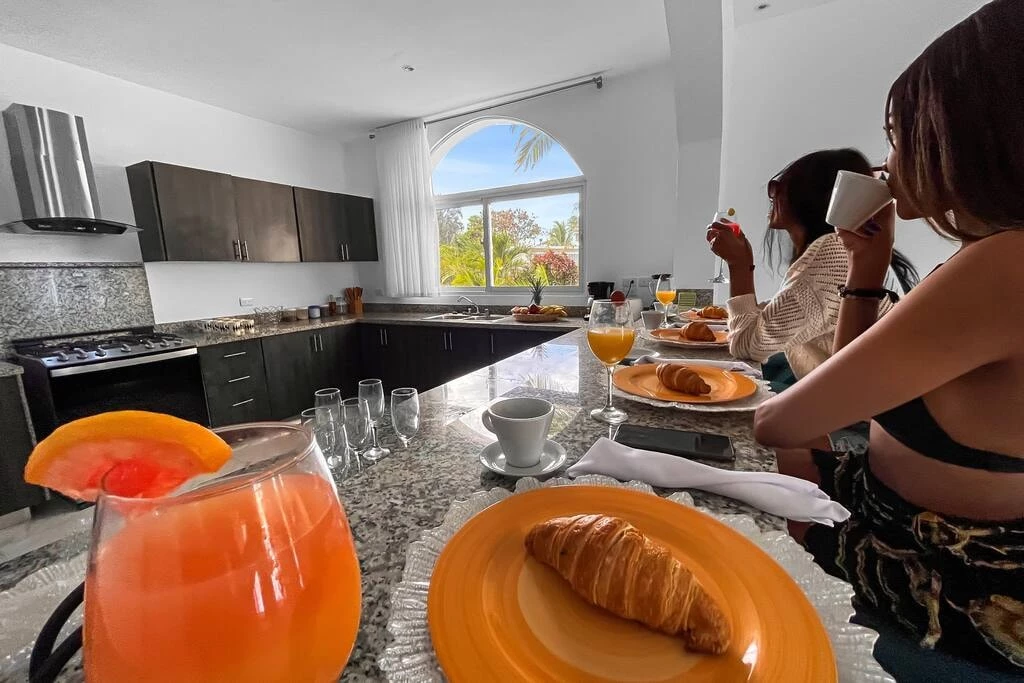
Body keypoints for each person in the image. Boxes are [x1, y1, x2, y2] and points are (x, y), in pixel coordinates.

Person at [753, 0, 1024, 672]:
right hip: (911, 522)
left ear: (961, 136)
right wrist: (867, 268)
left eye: (901, 137)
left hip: (935, 579)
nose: (887, 161)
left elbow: (783, 421)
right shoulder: (991, 258)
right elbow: (859, 399)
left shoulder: (1003, 266)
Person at [706, 149, 918, 382]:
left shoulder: (832, 257)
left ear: (809, 195)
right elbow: (774, 316)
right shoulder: (840, 250)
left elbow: (746, 345)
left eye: (778, 187)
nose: (772, 195)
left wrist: (738, 265)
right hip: (850, 390)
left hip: (852, 398)